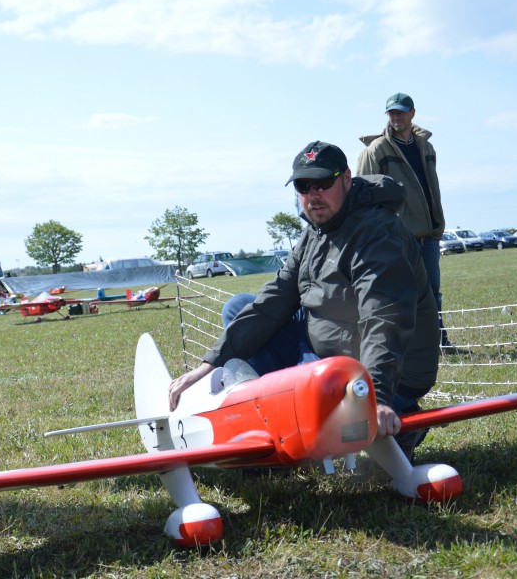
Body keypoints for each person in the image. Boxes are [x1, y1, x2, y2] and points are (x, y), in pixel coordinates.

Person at [168, 141, 439, 459]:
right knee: (239, 306)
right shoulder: (315, 231)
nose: (313, 194)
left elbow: (384, 319)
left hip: (389, 372)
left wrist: (375, 397)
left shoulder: (378, 233)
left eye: (322, 183)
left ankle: (398, 419)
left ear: (346, 179)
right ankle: (270, 415)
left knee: (335, 405)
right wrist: (209, 364)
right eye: (303, 186)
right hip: (326, 352)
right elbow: (275, 298)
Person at [356, 93, 450, 348]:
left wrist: (437, 225)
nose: (396, 117)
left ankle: (439, 343)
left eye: (400, 112)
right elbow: (363, 197)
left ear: (412, 113)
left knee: (432, 292)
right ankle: (410, 348)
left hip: (429, 235)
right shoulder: (376, 150)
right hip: (399, 237)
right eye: (391, 113)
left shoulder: (426, 147)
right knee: (404, 293)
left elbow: (431, 188)